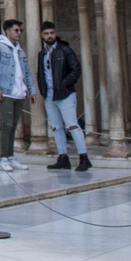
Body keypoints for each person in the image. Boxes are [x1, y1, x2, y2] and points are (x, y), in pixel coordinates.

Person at [39, 21, 90, 171]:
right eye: (46, 33)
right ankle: (63, 157)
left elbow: (76, 69)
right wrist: (42, 90)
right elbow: (40, 73)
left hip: (65, 94)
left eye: (52, 33)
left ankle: (84, 157)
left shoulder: (64, 50)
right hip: (49, 95)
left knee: (72, 126)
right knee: (56, 127)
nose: (50, 36)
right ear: (42, 35)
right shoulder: (42, 54)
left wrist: (63, 83)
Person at [0, 18, 33, 172]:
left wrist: (31, 90)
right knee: (6, 126)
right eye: (16, 30)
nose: (19, 33)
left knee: (13, 126)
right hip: (6, 93)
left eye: (20, 30)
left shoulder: (20, 51)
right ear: (7, 32)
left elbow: (27, 72)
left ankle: (11, 156)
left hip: (19, 93)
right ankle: (3, 158)